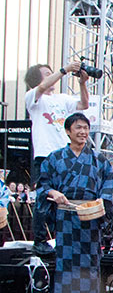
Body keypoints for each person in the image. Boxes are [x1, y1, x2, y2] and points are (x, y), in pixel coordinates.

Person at [36, 112, 113, 293]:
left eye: (86, 128)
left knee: (91, 263)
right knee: (65, 263)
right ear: (68, 131)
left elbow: (109, 182)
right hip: (66, 217)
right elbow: (42, 186)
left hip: (90, 217)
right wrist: (53, 192)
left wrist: (102, 201)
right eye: (78, 128)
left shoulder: (98, 160)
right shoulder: (54, 158)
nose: (82, 132)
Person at [24, 61, 88, 254]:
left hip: (65, 155)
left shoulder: (62, 98)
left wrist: (83, 83)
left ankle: (64, 238)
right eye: (46, 73)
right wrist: (64, 70)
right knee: (44, 197)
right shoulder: (33, 97)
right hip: (45, 154)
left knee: (66, 197)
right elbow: (42, 87)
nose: (52, 76)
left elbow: (83, 104)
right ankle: (40, 240)